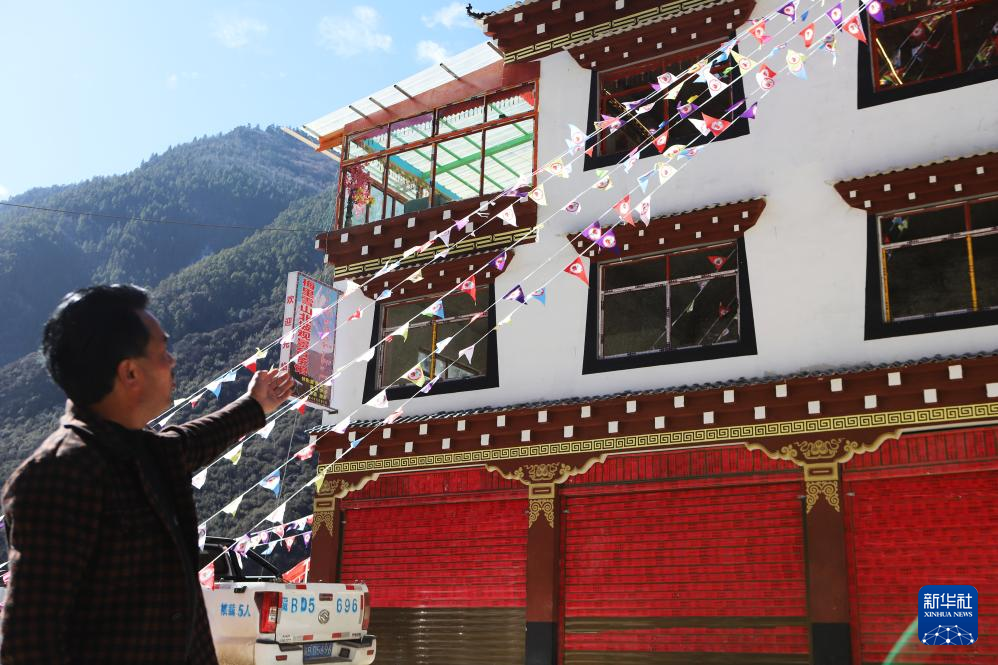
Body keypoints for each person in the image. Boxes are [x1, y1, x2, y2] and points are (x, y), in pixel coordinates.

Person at [0, 284, 294, 664]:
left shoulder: (149, 452)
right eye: (163, 351)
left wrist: (256, 405)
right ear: (130, 372)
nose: (172, 361)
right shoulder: (57, 477)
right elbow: (29, 644)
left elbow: (198, 438)